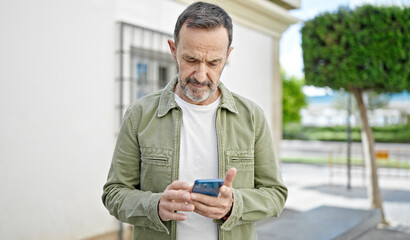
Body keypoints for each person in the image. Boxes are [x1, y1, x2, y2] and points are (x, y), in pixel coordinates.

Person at [102, 2, 287, 240]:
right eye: (190, 59)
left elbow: (275, 195)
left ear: (228, 56)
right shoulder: (139, 115)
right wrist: (155, 206)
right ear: (173, 50)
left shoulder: (252, 117)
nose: (201, 75)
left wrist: (235, 204)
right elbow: (114, 193)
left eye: (213, 63)